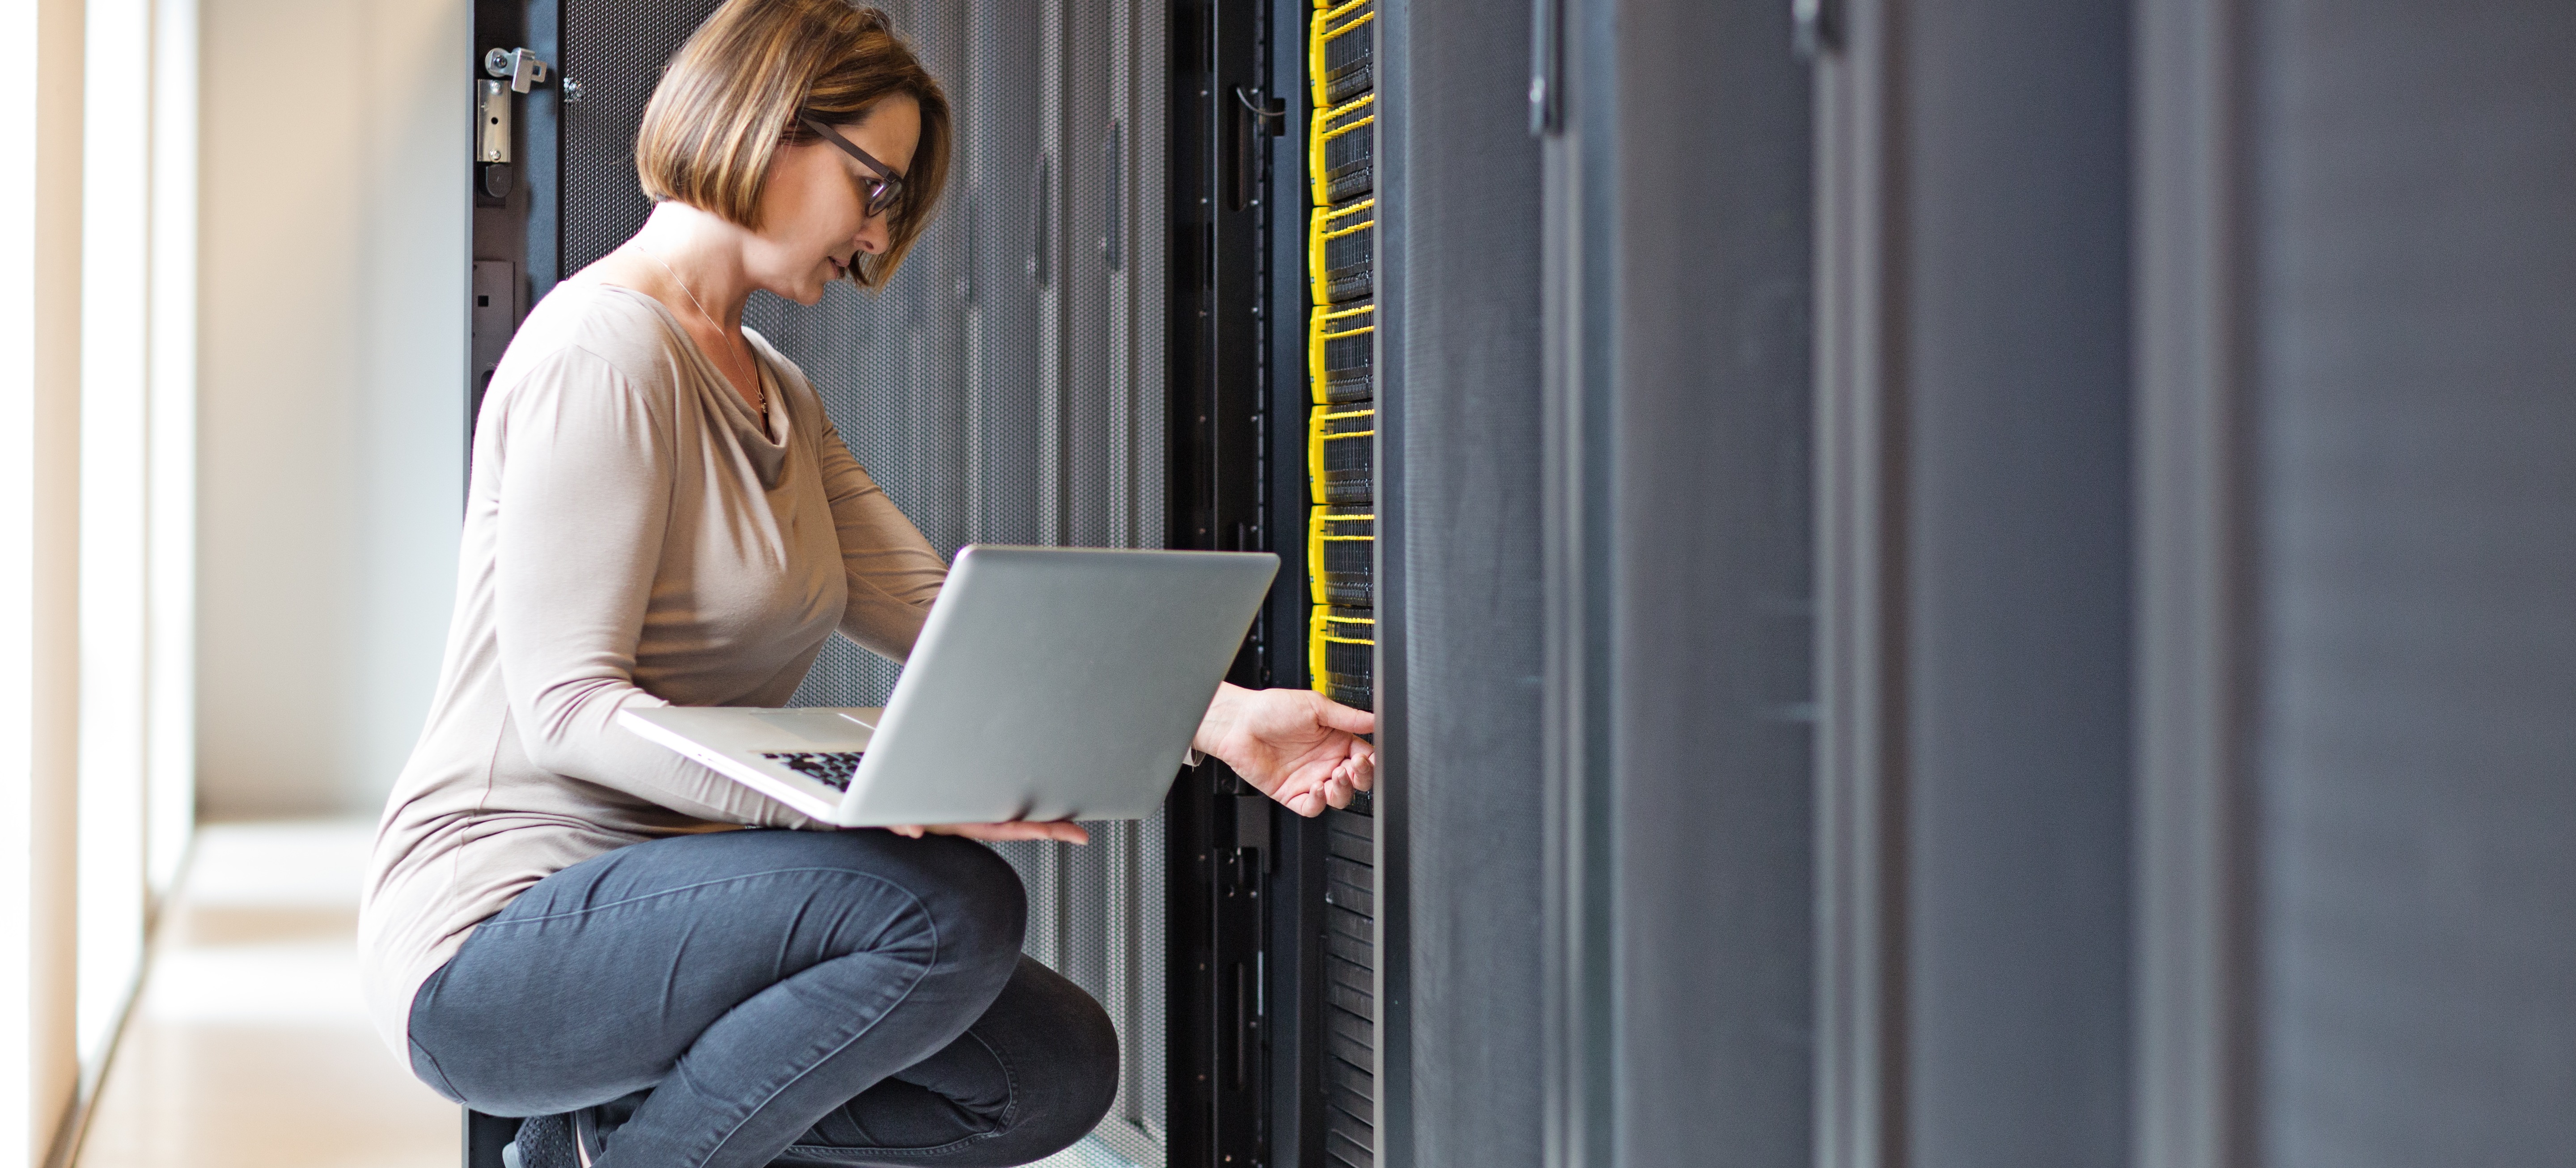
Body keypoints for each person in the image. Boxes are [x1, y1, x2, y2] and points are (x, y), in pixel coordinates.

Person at [357, 3, 1376, 1165]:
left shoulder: (775, 388)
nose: (878, 242)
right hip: (500, 930)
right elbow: (567, 710)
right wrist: (842, 800)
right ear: (773, 131)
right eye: (876, 188)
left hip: (676, 918)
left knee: (1049, 1066)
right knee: (942, 906)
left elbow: (942, 619)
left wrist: (1230, 718)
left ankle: (596, 1140)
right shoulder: (603, 352)